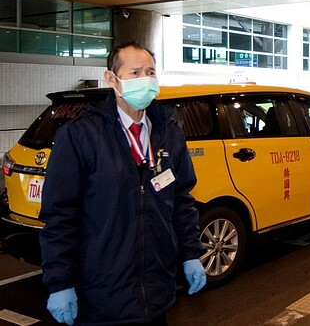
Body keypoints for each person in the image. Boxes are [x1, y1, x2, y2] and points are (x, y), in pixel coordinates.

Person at [40, 41, 206, 325]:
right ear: (111, 78)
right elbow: (60, 216)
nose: (146, 80)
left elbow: (181, 200)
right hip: (101, 296)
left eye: (151, 72)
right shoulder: (81, 136)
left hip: (156, 291)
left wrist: (191, 254)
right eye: (135, 73)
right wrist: (59, 282)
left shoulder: (169, 133)